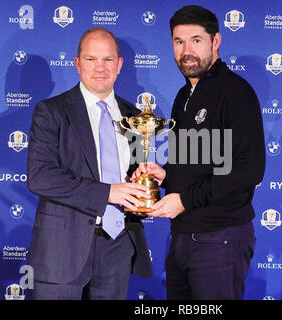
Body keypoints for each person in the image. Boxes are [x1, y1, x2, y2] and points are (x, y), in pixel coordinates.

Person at [132, 5, 265, 299]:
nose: (186, 51)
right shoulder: (184, 95)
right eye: (179, 42)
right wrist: (164, 175)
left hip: (219, 238)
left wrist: (185, 200)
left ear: (215, 41)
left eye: (196, 40)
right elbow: (194, 161)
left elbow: (249, 169)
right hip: (183, 238)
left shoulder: (236, 92)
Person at [27, 27, 153, 300]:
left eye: (108, 60)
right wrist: (108, 192)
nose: (100, 68)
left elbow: (135, 178)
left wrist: (142, 195)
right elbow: (40, 176)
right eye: (91, 59)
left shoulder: (134, 116)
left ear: (119, 65)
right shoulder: (51, 111)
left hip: (118, 247)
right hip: (61, 249)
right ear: (77, 63)